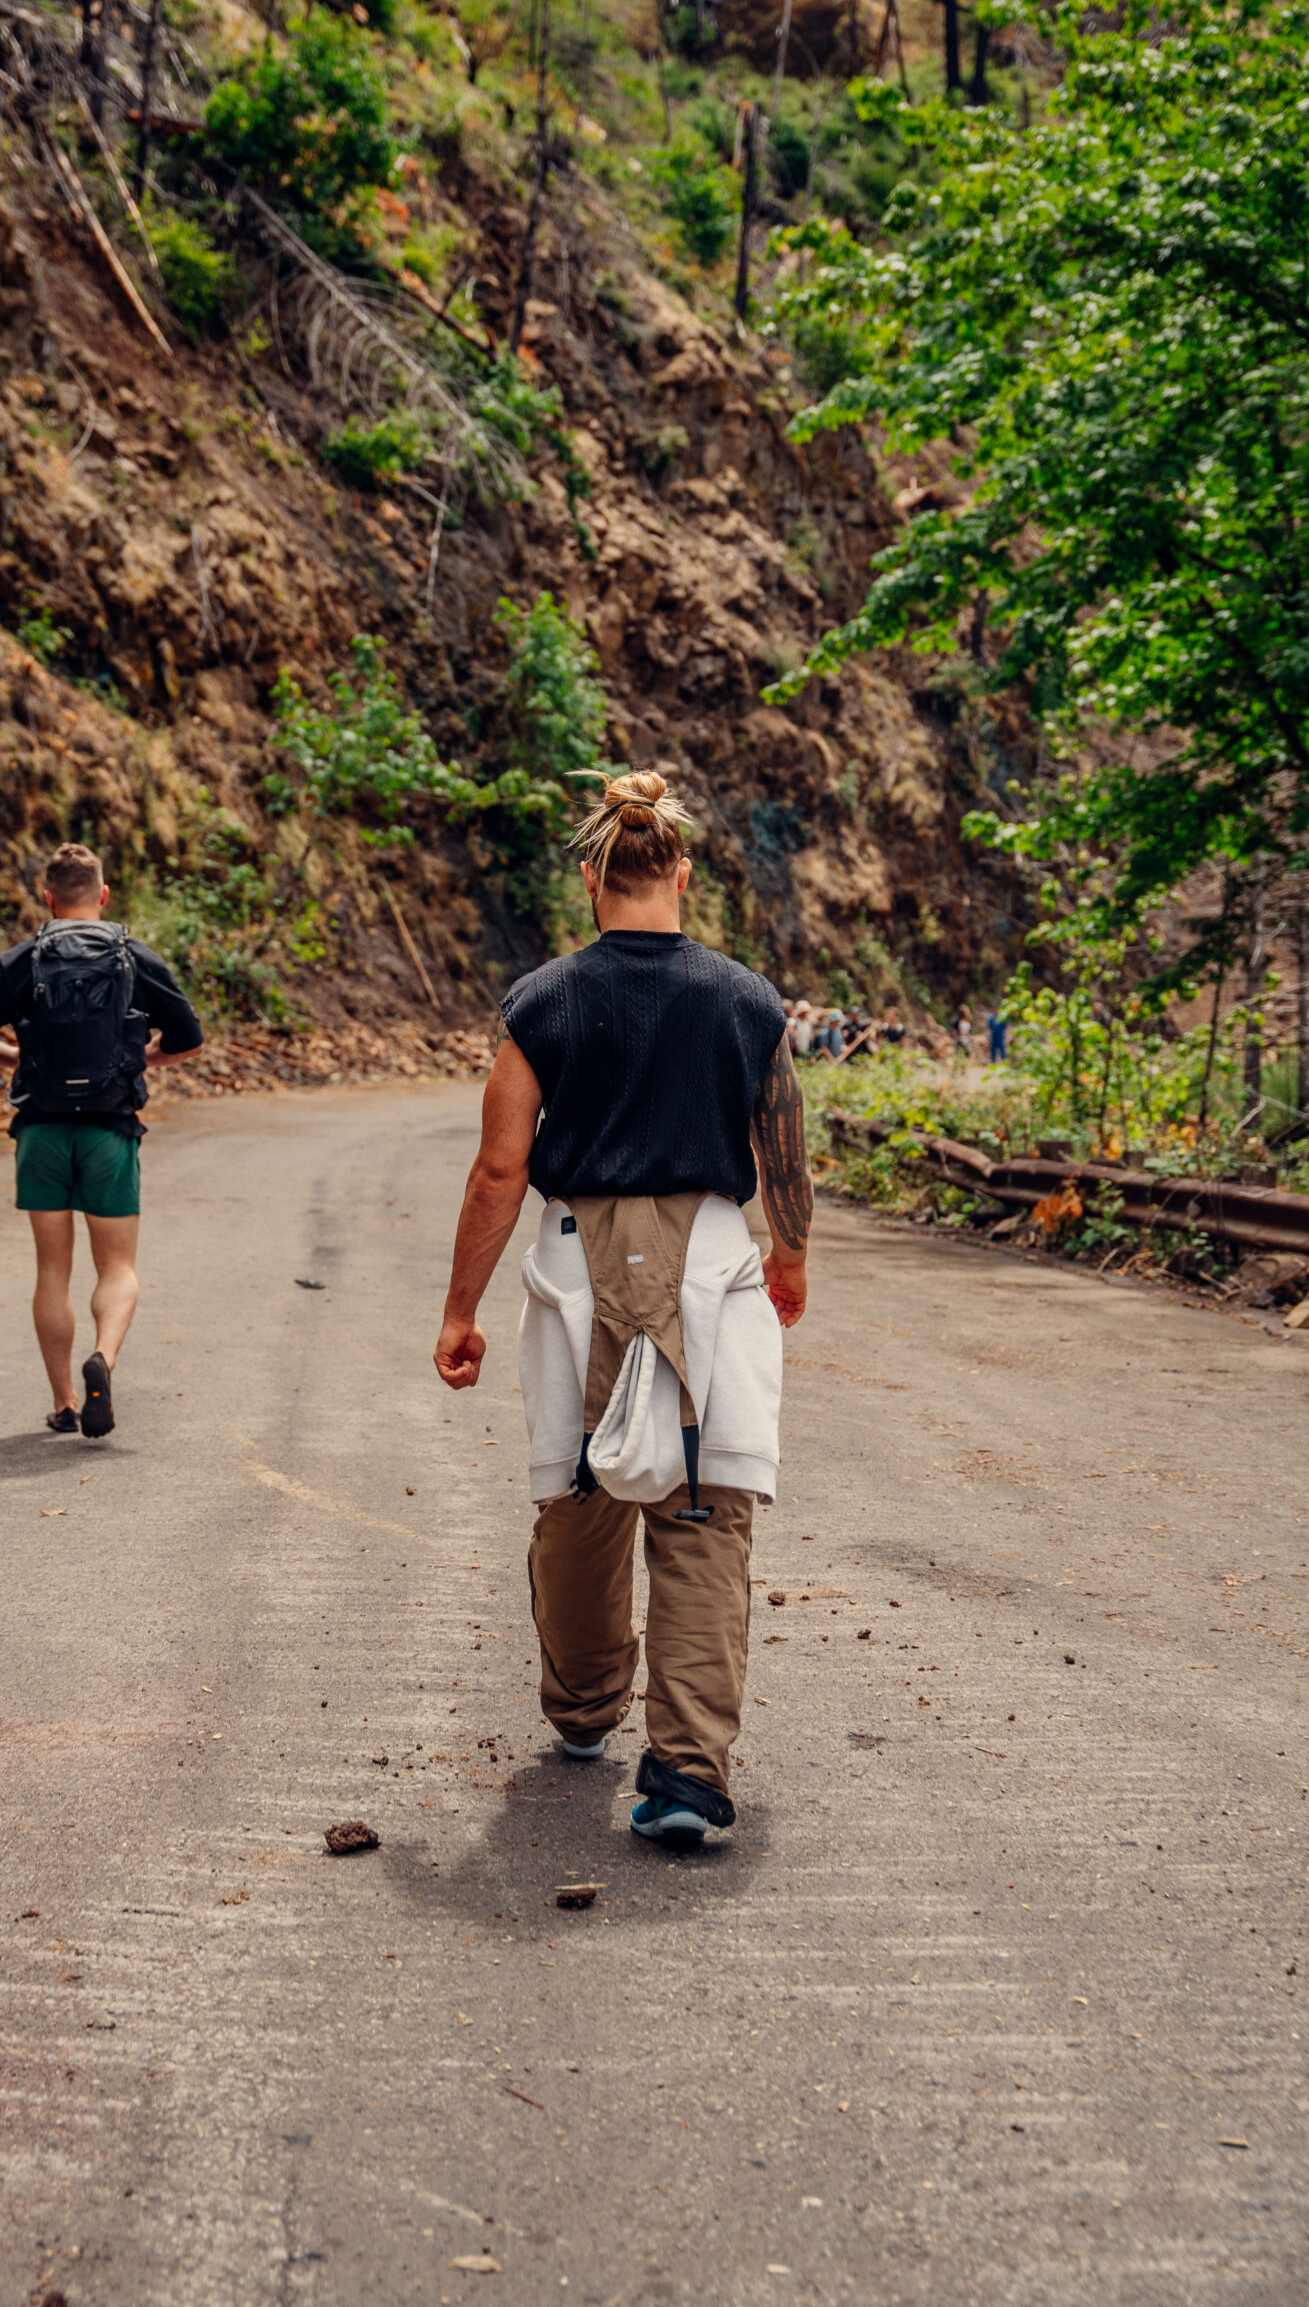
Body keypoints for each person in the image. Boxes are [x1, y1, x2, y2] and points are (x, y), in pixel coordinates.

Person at [432, 770, 812, 1847]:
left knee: (579, 1496)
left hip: (576, 1266)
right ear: (680, 874)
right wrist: (789, 1256)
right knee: (703, 1506)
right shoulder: (746, 999)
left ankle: (584, 1707)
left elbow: (499, 1169)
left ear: (591, 880)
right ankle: (687, 1772)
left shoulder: (542, 1001)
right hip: (711, 1262)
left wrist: (459, 1309)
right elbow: (782, 1147)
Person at [0, 844, 203, 1437]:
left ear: (48, 898)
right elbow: (189, 1040)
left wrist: (13, 1057)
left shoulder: (21, 960)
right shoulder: (134, 957)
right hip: (110, 1130)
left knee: (51, 1272)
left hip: (41, 1130)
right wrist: (137, 1059)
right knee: (117, 1268)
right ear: (103, 895)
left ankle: (64, 1402)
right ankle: (103, 1358)